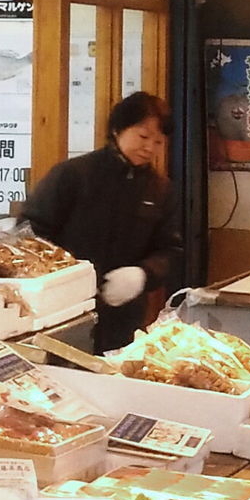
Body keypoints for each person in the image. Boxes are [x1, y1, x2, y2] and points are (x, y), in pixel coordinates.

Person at [23, 91, 183, 354]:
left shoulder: (161, 190)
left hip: (124, 314)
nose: (149, 148)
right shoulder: (73, 174)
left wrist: (143, 275)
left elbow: (170, 250)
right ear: (118, 129)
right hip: (62, 309)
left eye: (158, 142)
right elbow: (31, 231)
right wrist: (60, 276)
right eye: (143, 137)